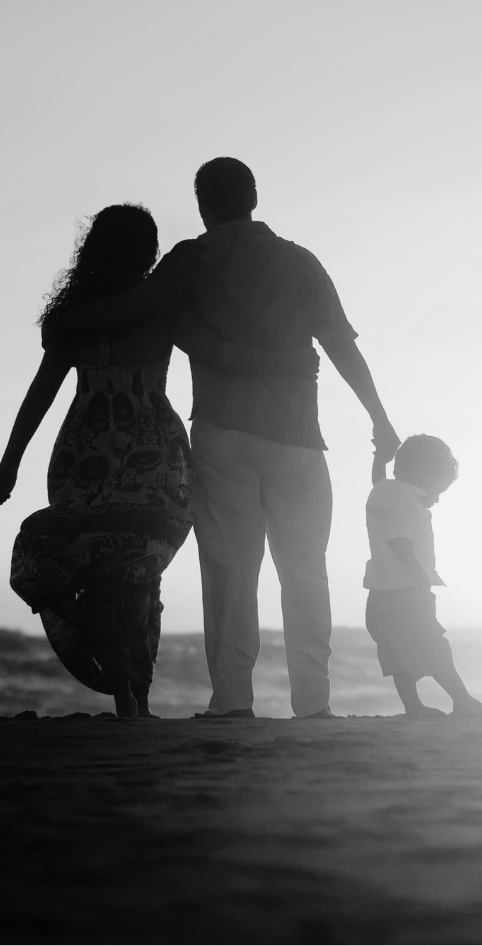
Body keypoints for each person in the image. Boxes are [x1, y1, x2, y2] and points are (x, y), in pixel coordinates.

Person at [59, 158, 399, 719]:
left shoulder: (192, 258)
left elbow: (134, 307)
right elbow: (342, 345)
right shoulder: (299, 261)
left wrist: (68, 321)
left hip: (226, 436)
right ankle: (313, 704)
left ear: (202, 204)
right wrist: (379, 421)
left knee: (230, 569)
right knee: (305, 569)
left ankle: (233, 702)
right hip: (299, 439)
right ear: (255, 197)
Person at [0, 203, 308, 719]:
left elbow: (38, 396)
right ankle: (135, 698)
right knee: (138, 571)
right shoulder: (160, 310)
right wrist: (283, 359)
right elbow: (217, 353)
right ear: (148, 251)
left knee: (98, 563)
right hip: (151, 452)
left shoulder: (74, 319)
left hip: (83, 451)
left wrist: (10, 462)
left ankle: (127, 692)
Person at [364, 434, 482, 718]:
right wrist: (418, 575)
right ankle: (462, 701)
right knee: (433, 645)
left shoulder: (383, 492)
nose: (435, 500)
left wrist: (379, 460)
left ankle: (413, 707)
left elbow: (379, 480)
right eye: (437, 490)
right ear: (425, 473)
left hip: (378, 595)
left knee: (394, 654)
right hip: (406, 591)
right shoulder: (410, 504)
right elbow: (399, 540)